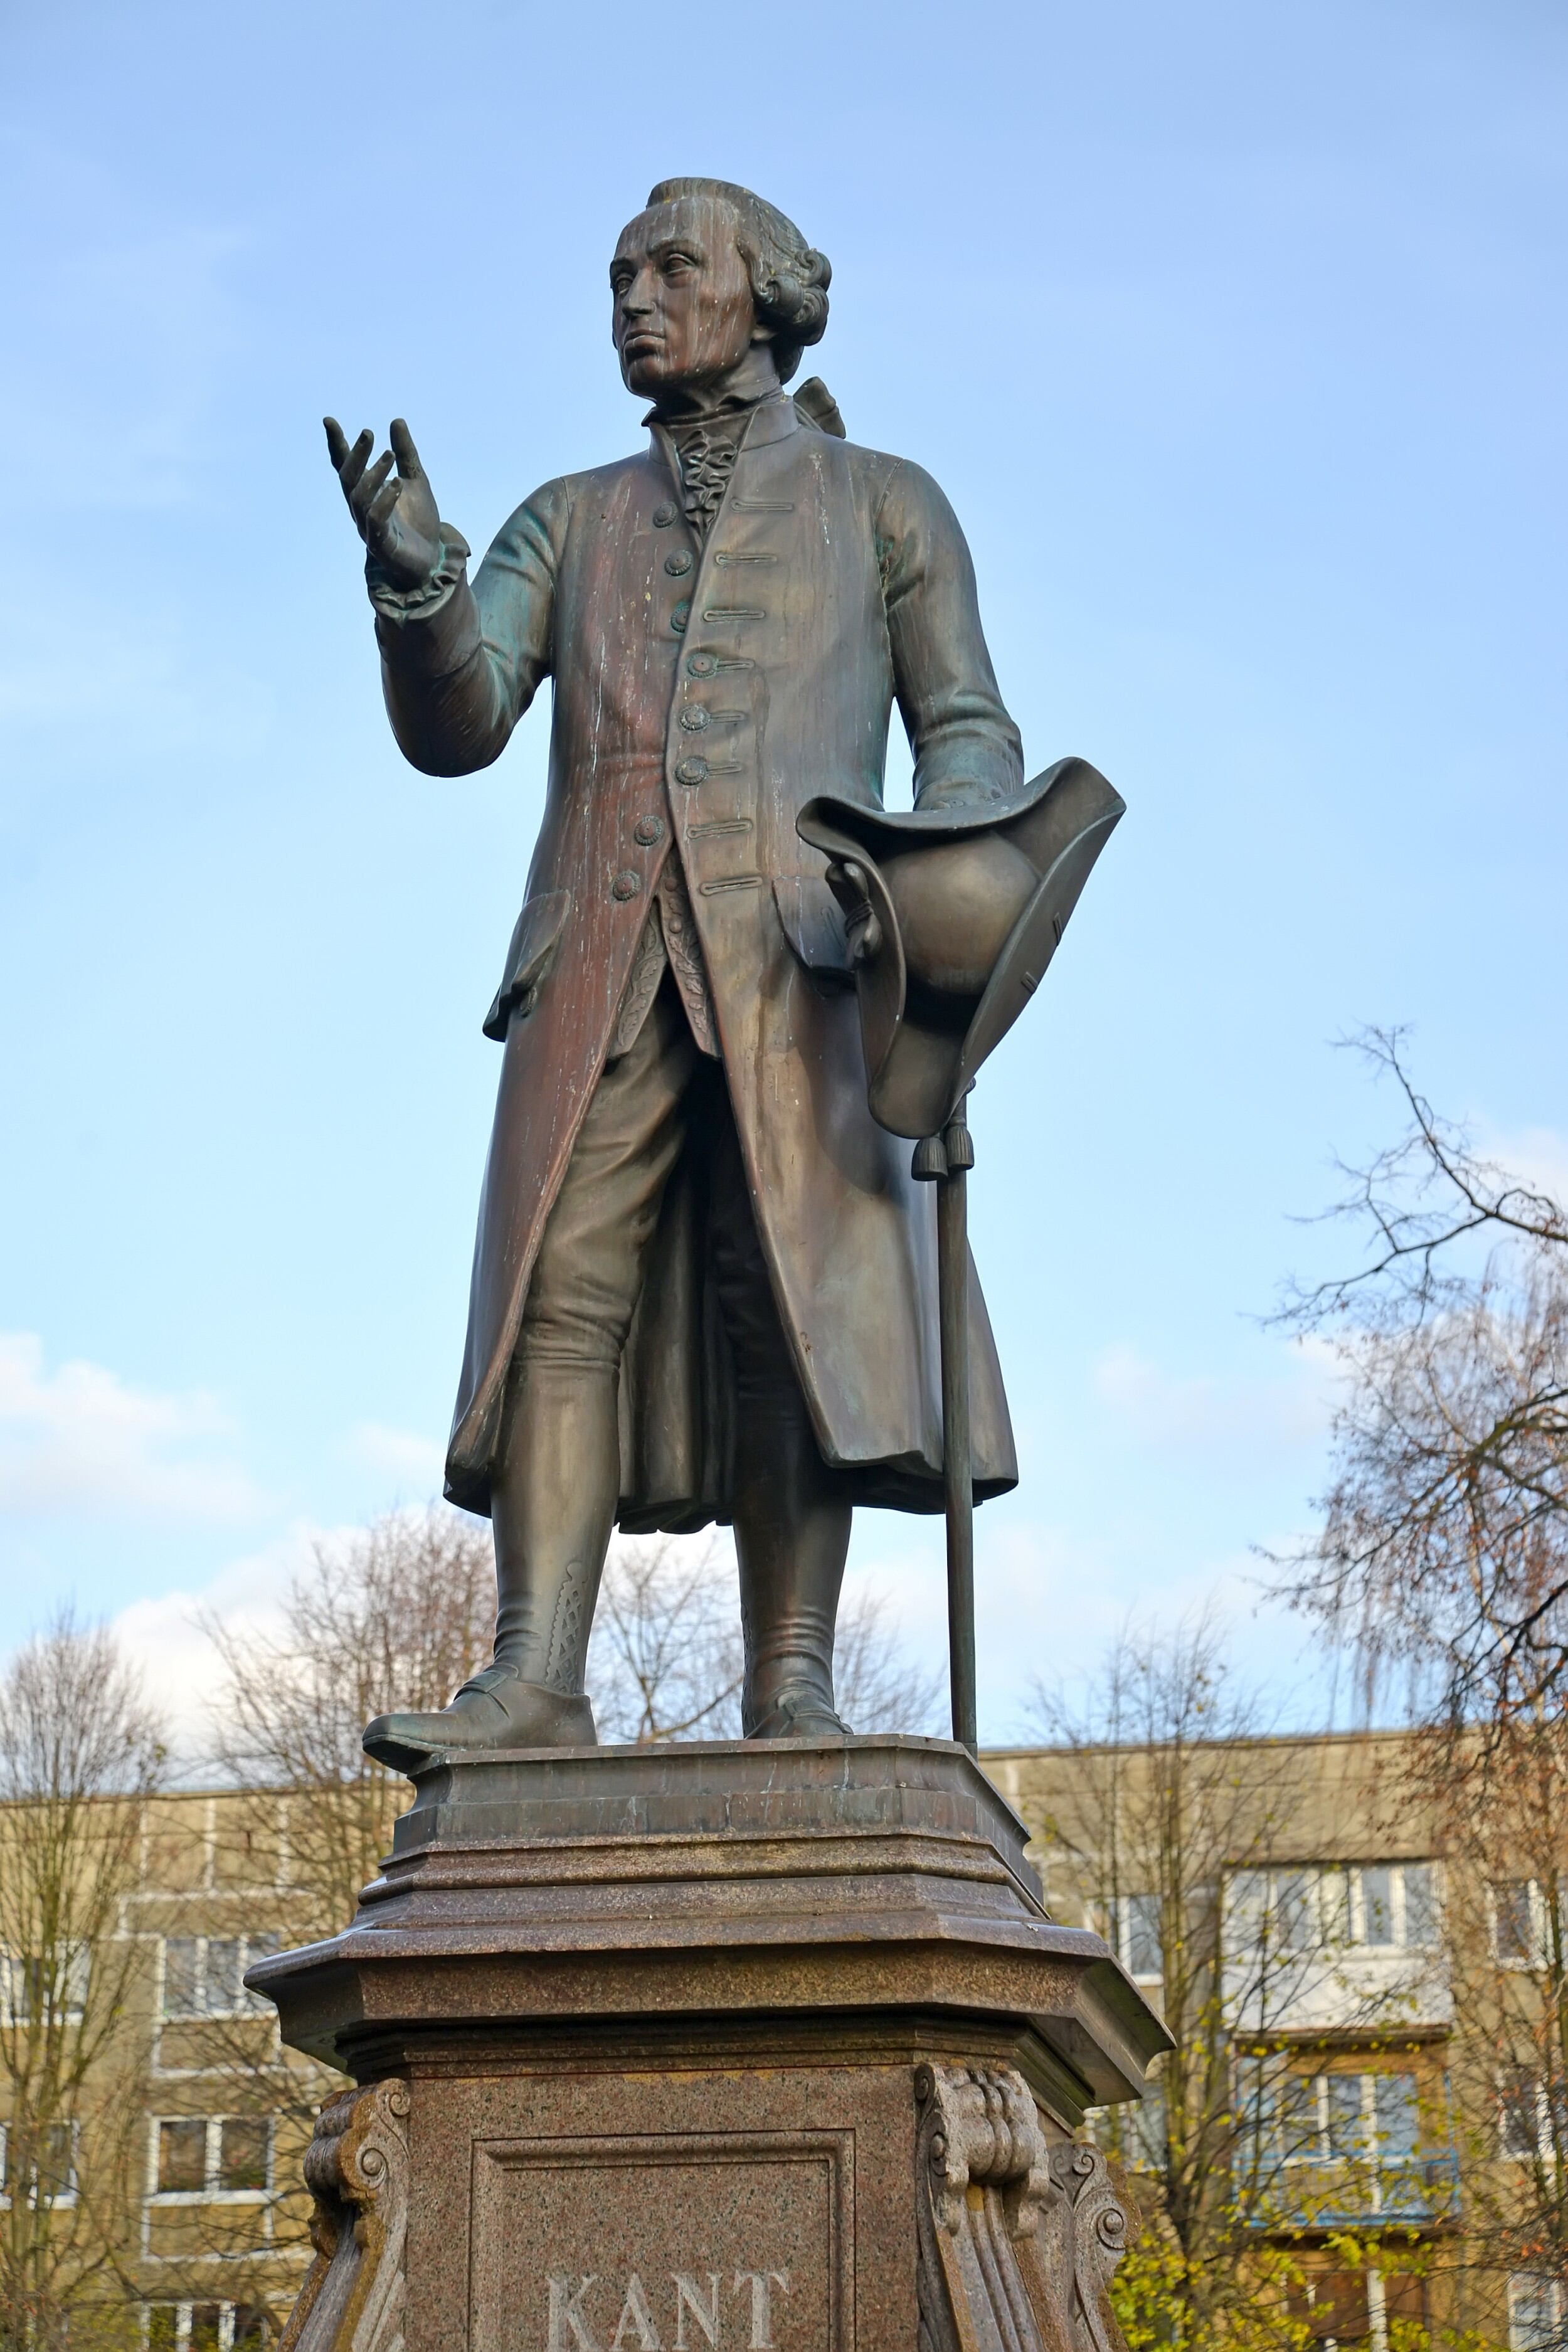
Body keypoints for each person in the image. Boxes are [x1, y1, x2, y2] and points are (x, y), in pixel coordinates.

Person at [325, 179, 1023, 1762]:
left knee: (786, 1306)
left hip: (804, 970)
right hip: (599, 964)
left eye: (670, 269)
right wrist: (421, 587)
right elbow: (462, 725)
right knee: (556, 1299)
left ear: (764, 296)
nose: (634, 299)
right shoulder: (565, 516)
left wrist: (944, 876)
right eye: (618, 277)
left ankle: (793, 1682)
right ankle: (532, 1676)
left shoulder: (883, 502)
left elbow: (970, 731)